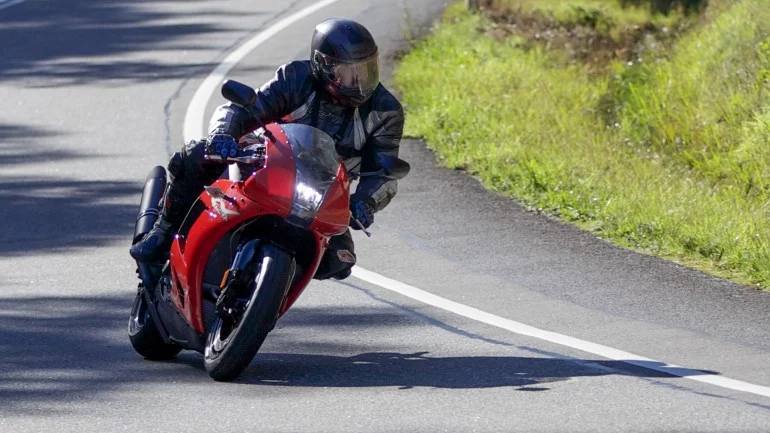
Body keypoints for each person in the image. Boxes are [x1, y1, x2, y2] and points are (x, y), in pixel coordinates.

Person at [130, 18, 404, 280]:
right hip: (265, 163)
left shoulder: (386, 111)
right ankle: (162, 231)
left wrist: (366, 201)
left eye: (366, 70)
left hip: (322, 193)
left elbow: (384, 172)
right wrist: (223, 134)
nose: (359, 82)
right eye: (348, 73)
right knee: (196, 155)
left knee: (339, 262)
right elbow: (244, 108)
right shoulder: (296, 78)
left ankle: (272, 289)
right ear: (323, 65)